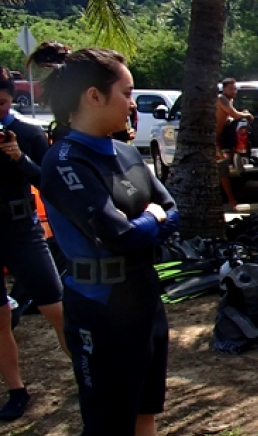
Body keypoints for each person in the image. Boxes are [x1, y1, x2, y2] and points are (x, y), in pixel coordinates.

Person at [33, 47, 179, 436]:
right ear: (94, 96)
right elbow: (117, 235)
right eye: (126, 93)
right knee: (109, 423)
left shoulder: (126, 152)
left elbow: (172, 211)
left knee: (145, 411)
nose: (132, 104)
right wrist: (151, 218)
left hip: (143, 294)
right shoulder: (65, 161)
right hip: (99, 306)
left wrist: (147, 221)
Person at [0, 68, 68, 421]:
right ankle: (16, 390)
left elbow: (50, 182)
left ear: (12, 100)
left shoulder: (27, 132)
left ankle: (89, 372)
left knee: (55, 307)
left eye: (1, 103)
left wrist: (19, 158)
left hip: (21, 230)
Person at [216, 78, 254, 211]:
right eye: (231, 89)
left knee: (224, 167)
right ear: (224, 89)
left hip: (221, 138)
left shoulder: (229, 100)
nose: (234, 91)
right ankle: (231, 199)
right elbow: (235, 115)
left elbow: (230, 116)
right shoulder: (221, 99)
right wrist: (247, 114)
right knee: (223, 168)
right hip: (212, 139)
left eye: (235, 89)